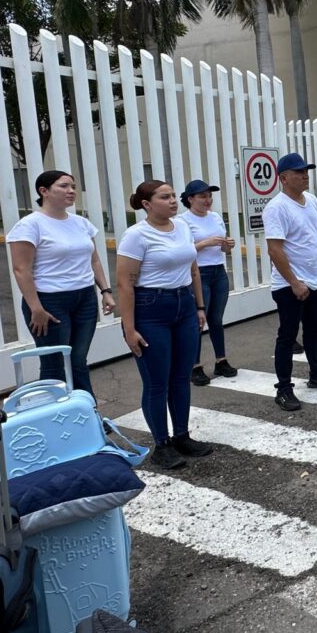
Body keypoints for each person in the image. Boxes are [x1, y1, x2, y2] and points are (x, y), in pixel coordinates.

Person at [115, 180, 212, 469]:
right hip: (151, 309)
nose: (172, 201)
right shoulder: (136, 235)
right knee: (157, 382)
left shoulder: (181, 226)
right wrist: (130, 329)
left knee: (181, 377)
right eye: (165, 197)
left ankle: (182, 435)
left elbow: (192, 267)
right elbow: (125, 284)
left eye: (173, 196)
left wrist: (198, 306)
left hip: (183, 305)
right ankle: (162, 443)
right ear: (146, 204)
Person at [7, 170, 115, 396]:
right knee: (55, 364)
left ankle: (86, 413)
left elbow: (93, 259)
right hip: (49, 301)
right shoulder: (30, 225)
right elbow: (21, 270)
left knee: (77, 361)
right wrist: (36, 308)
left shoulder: (81, 223)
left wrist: (105, 290)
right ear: (44, 191)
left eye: (73, 186)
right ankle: (55, 419)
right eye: (64, 186)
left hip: (84, 298)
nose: (71, 191)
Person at [263, 153, 317, 412]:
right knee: (287, 336)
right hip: (290, 285)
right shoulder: (276, 208)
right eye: (299, 172)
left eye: (306, 171)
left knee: (313, 330)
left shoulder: (310, 200)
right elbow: (275, 250)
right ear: (284, 178)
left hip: (313, 280)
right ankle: (284, 388)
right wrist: (294, 282)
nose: (305, 175)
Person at [178, 180, 237, 387]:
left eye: (209, 196)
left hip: (219, 271)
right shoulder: (182, 221)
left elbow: (223, 249)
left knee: (217, 320)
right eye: (202, 196)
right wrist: (205, 243)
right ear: (190, 199)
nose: (207, 200)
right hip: (198, 273)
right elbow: (182, 250)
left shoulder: (216, 217)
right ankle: (195, 366)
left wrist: (227, 245)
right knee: (197, 322)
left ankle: (221, 361)